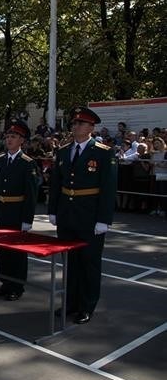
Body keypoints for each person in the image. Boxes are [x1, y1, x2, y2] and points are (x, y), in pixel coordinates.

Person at [48, 106, 117, 325]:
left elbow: (108, 187)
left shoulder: (103, 152)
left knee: (89, 262)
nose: (75, 126)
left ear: (90, 127)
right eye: (74, 123)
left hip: (89, 216)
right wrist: (53, 210)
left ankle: (86, 306)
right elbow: (56, 183)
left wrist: (103, 219)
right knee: (70, 262)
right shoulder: (63, 150)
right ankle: (71, 302)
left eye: (80, 123)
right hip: (67, 214)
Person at [0, 119, 39, 301]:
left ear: (22, 141)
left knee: (17, 252)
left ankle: (17, 286)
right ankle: (5, 282)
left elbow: (31, 194)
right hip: (2, 210)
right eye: (8, 136)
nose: (9, 140)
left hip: (17, 212)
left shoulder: (27, 163)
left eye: (14, 137)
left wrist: (27, 219)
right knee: (2, 250)